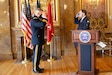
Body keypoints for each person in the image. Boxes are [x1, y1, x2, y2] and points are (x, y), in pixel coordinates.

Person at [30, 8, 47, 73]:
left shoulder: (38, 19)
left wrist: (44, 18)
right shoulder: (34, 20)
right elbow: (42, 24)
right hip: (36, 40)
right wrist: (45, 18)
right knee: (36, 55)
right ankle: (35, 69)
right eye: (39, 13)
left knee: (38, 55)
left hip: (39, 40)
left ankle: (37, 67)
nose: (40, 15)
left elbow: (42, 24)